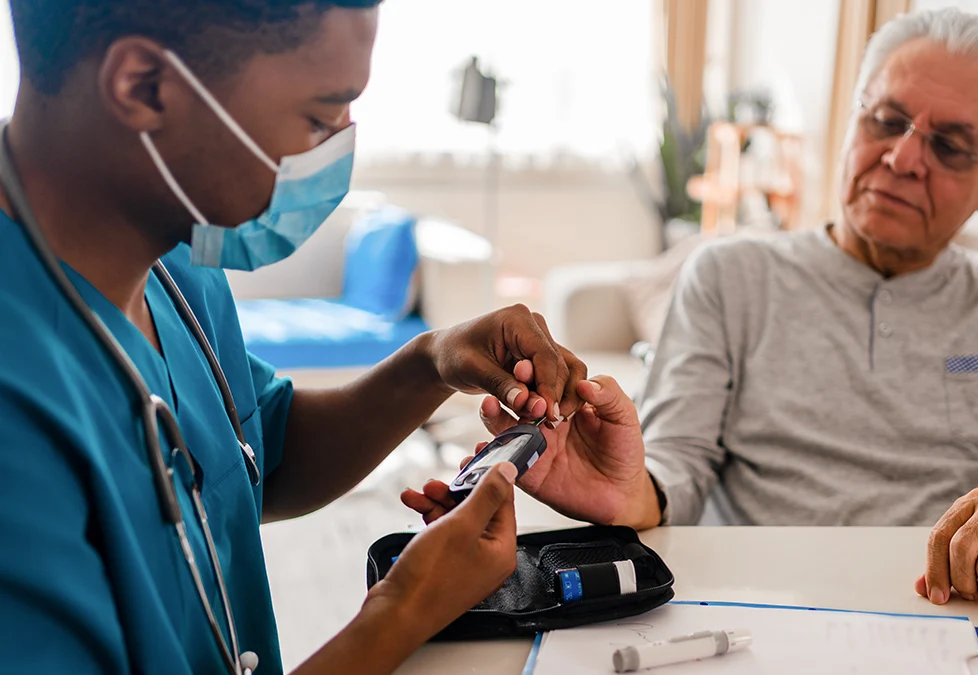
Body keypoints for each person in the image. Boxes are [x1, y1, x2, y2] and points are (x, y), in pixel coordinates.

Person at [408, 8, 978, 607]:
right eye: (886, 120)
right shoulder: (731, 273)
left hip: (962, 617)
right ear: (853, 121)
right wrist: (631, 494)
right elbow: (678, 464)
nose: (901, 157)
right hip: (760, 610)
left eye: (950, 145)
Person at [0, 1, 589, 673]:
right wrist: (400, 613)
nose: (338, 150)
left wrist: (431, 363)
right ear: (144, 86)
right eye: (319, 118)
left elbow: (257, 454)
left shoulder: (176, 262)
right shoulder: (16, 405)